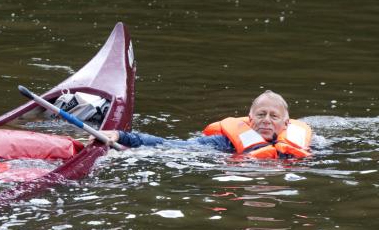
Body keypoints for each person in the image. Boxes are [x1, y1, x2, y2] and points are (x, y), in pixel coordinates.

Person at [99, 90, 312, 159]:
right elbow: (173, 145)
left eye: (273, 116)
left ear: (285, 123)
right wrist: (121, 136)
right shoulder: (225, 143)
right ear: (250, 118)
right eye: (261, 114)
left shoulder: (304, 146)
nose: (266, 120)